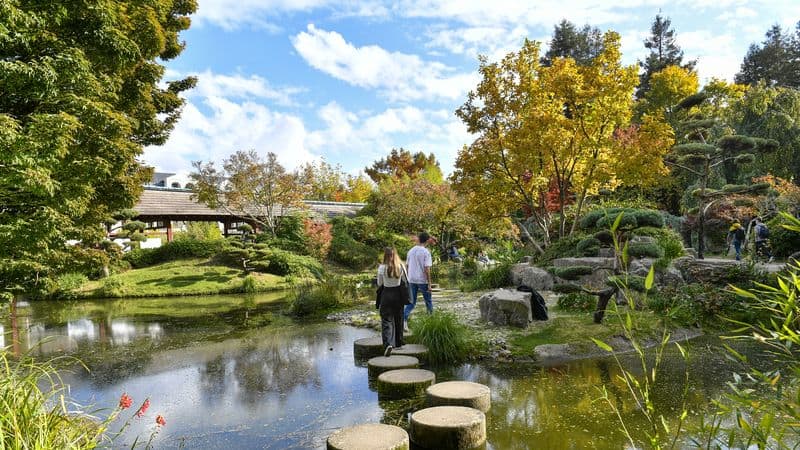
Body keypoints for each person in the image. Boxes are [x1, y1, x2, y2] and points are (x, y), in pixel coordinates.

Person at [376, 247, 408, 356]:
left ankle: (388, 344)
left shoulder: (382, 268)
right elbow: (405, 281)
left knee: (386, 320)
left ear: (385, 255)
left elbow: (379, 283)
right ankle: (399, 344)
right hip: (398, 295)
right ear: (395, 255)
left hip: (386, 294)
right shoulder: (400, 266)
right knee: (398, 319)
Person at [404, 232, 434, 329]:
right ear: (427, 240)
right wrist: (429, 284)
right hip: (422, 280)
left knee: (411, 302)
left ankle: (403, 321)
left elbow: (407, 266)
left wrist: (407, 279)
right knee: (428, 301)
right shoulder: (426, 252)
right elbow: (427, 269)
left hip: (411, 279)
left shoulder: (411, 250)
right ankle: (431, 320)